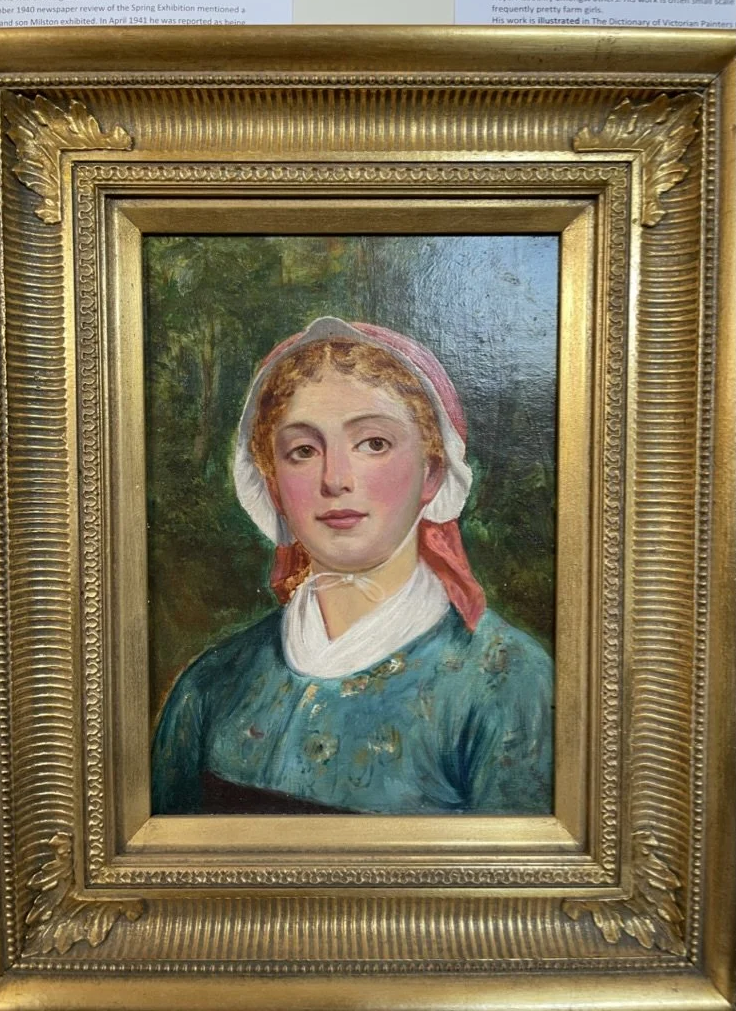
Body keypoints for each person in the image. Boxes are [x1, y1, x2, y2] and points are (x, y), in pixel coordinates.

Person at [151, 316, 553, 815]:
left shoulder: (506, 682)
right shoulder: (210, 686)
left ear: (432, 472)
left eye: (373, 444)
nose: (335, 479)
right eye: (302, 451)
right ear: (273, 485)